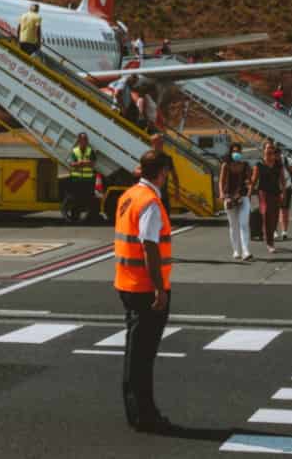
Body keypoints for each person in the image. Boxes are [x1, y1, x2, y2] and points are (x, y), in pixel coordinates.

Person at [114, 150, 175, 433]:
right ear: (161, 172)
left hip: (126, 282)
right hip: (144, 287)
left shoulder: (128, 196)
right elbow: (149, 246)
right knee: (143, 356)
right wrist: (159, 289)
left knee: (134, 351)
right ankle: (144, 414)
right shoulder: (150, 202)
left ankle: (135, 411)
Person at [220, 142, 252, 261]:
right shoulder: (226, 165)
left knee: (243, 223)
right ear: (231, 152)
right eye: (234, 151)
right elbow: (221, 181)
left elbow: (250, 180)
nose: (236, 153)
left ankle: (245, 250)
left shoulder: (245, 165)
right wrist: (222, 194)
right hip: (229, 198)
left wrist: (249, 189)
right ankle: (236, 250)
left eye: (238, 151)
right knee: (233, 225)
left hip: (243, 197)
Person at [256, 141, 289, 251]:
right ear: (264, 150)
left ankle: (270, 235)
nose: (270, 150)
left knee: (274, 217)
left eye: (272, 148)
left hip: (275, 193)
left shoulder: (278, 164)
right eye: (268, 148)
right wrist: (248, 193)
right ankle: (269, 243)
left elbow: (283, 181)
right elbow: (253, 180)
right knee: (266, 215)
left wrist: (283, 193)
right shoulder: (259, 165)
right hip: (263, 193)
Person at [65, 132, 97, 221]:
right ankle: (75, 217)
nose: (85, 141)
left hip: (88, 180)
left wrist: (83, 163)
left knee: (88, 199)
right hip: (76, 180)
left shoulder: (90, 151)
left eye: (86, 139)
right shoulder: (74, 151)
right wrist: (81, 163)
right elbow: (72, 163)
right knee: (76, 200)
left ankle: (90, 217)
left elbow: (93, 163)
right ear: (79, 140)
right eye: (83, 139)